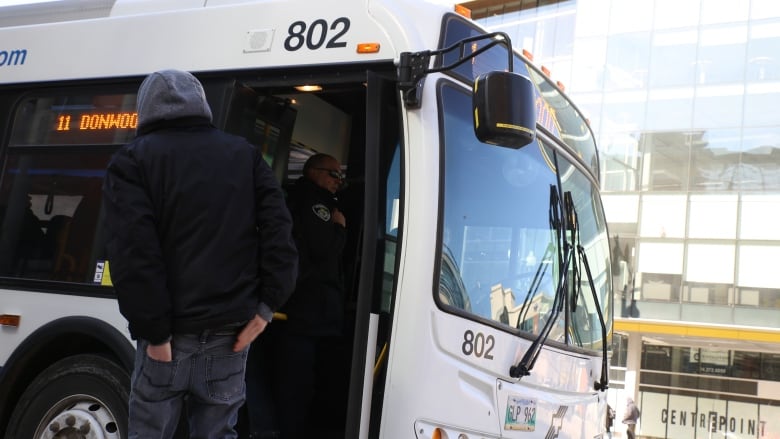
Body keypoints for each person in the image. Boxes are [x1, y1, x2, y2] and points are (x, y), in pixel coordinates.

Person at [101, 69, 298, 439]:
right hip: (232, 336)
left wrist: (156, 335)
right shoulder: (245, 155)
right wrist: (266, 308)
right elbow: (280, 234)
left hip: (167, 338)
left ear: (145, 109)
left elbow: (133, 253)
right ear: (201, 105)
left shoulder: (132, 161)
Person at [261, 153, 347, 439]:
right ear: (313, 172)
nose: (338, 181)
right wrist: (339, 227)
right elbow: (323, 251)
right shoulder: (315, 204)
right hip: (307, 312)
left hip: (305, 311)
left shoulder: (305, 199)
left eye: (340, 175)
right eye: (333, 174)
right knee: (296, 383)